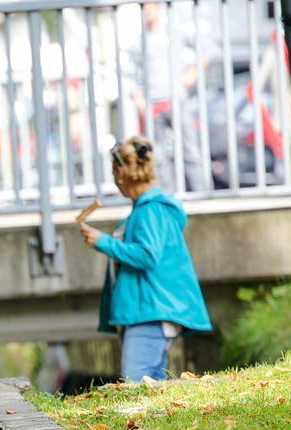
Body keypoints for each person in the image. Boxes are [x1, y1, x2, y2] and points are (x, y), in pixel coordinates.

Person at [78, 136, 211, 382]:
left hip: (149, 315)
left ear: (119, 171)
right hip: (148, 313)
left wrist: (104, 241)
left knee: (135, 387)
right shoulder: (146, 209)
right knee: (152, 393)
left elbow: (148, 256)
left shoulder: (150, 210)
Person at [121, 2, 218, 194]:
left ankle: (203, 193)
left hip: (176, 100)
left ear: (159, 8)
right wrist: (139, 99)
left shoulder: (175, 33)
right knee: (157, 156)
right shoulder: (138, 43)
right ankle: (168, 197)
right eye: (144, 7)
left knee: (190, 150)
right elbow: (130, 75)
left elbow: (210, 49)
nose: (148, 11)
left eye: (151, 6)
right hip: (152, 105)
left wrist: (194, 71)